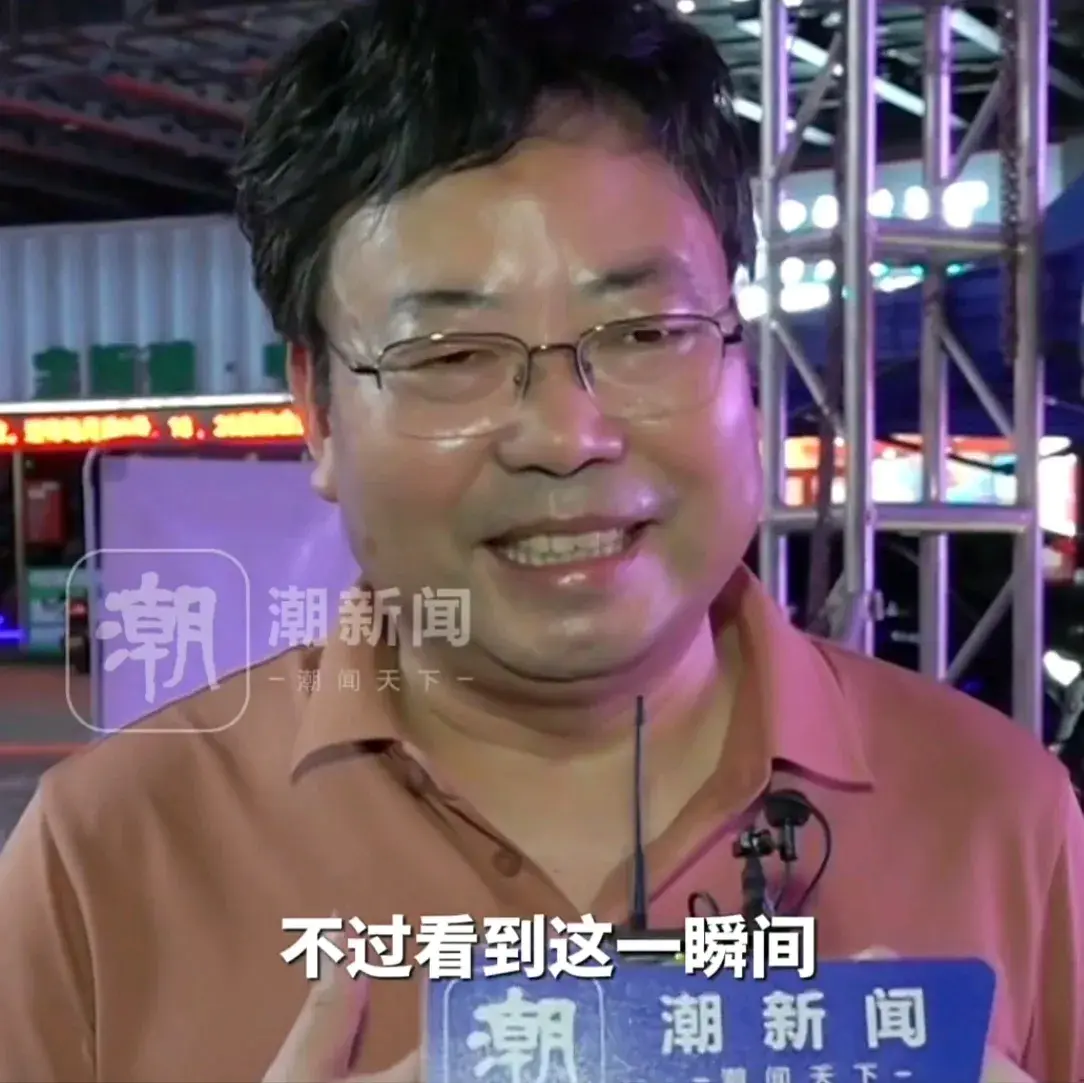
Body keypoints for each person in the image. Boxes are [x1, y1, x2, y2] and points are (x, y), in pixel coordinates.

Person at [0, 1, 1078, 1080]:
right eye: (450, 354)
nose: (566, 437)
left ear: (740, 359)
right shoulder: (109, 858)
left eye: (646, 333)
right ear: (318, 411)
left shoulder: (995, 812)